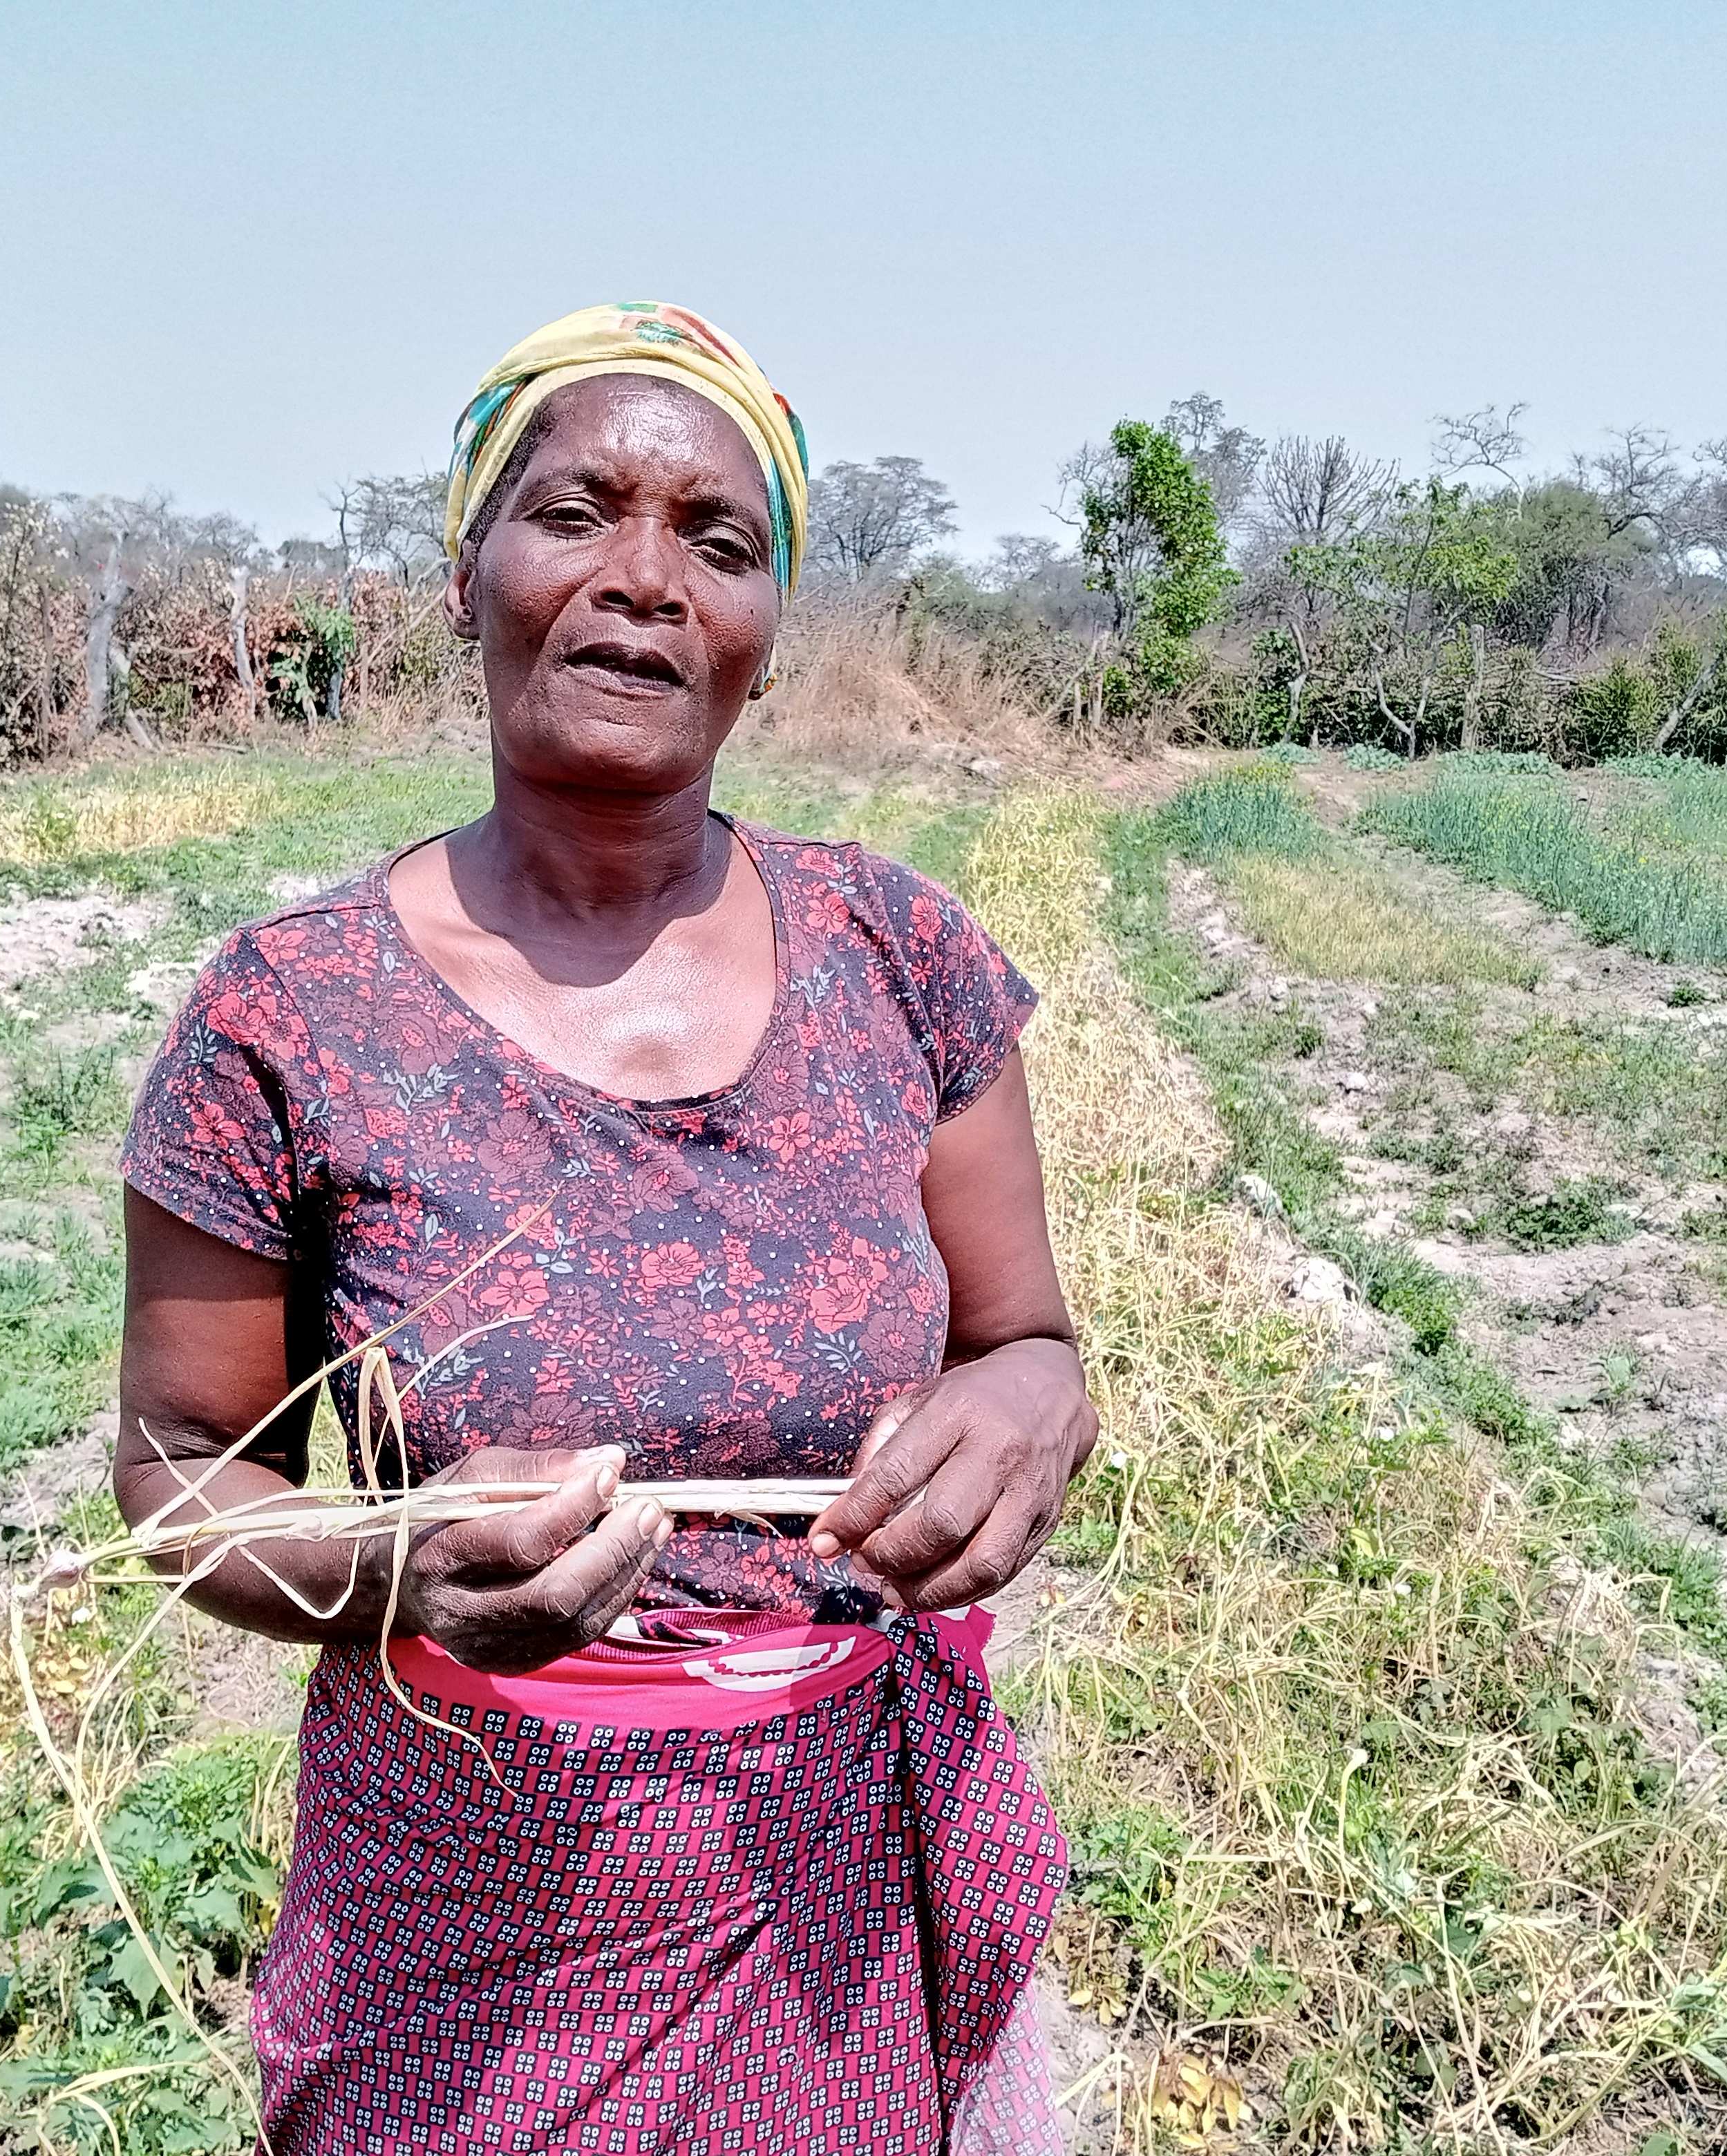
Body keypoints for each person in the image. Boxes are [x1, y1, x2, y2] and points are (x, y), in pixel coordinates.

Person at [115, 301, 1093, 2155]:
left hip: (848, 1880)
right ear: (468, 566)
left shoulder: (903, 957)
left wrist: (1034, 1408)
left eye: (715, 540)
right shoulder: (285, 1016)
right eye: (575, 514)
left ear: (765, 635)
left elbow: (1026, 1342)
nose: (643, 580)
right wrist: (391, 1569)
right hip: (474, 1909)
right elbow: (180, 1470)